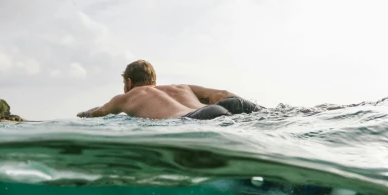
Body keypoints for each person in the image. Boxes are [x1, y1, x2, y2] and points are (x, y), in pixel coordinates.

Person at [76, 60, 263, 120]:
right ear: (154, 81)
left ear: (129, 82)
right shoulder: (180, 87)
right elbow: (221, 95)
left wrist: (83, 113)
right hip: (227, 105)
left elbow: (99, 112)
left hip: (195, 121)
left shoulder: (127, 97)